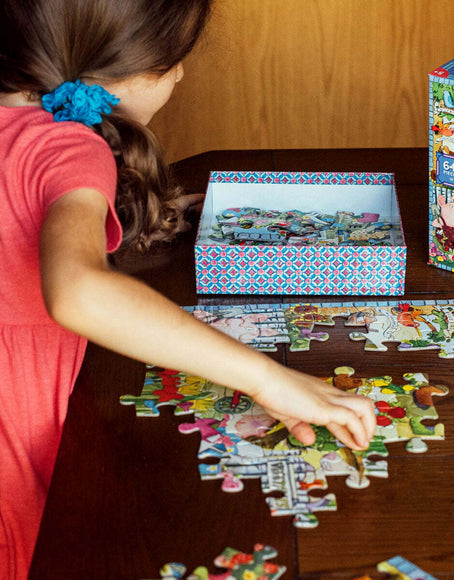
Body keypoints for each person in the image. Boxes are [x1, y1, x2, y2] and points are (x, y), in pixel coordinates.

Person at [0, 1, 376, 577]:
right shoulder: (68, 147)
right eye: (173, 61)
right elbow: (78, 291)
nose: (180, 74)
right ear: (120, 67)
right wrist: (269, 378)